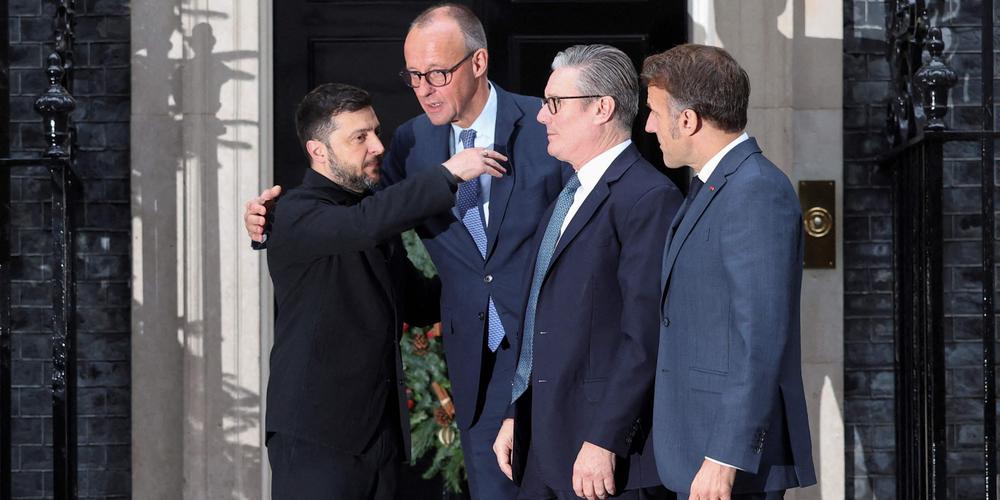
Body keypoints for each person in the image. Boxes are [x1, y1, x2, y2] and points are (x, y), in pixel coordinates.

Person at [245, 5, 569, 498]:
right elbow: (360, 214)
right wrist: (272, 220)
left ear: (478, 62)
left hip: (552, 356)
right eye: (414, 75)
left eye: (436, 73)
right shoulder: (414, 144)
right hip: (453, 384)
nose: (423, 88)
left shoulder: (546, 124)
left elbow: (376, 218)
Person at [264, 83, 506, 500]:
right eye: (359, 137)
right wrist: (449, 174)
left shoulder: (366, 210)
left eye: (375, 131)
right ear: (318, 151)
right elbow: (363, 225)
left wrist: (495, 280)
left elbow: (417, 301)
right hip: (315, 437)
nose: (377, 146)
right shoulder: (291, 212)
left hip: (381, 436)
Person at [492, 44, 682, 500]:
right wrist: (518, 412)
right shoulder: (567, 195)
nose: (542, 116)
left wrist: (605, 439)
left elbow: (645, 337)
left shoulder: (648, 198)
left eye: (555, 103)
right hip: (542, 445)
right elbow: (540, 318)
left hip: (603, 461)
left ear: (602, 108)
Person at [643, 44, 817, 500]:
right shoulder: (716, 185)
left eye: (655, 113)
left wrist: (725, 456)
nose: (648, 126)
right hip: (694, 449)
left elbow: (759, 338)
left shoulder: (755, 190)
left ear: (688, 120)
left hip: (728, 467)